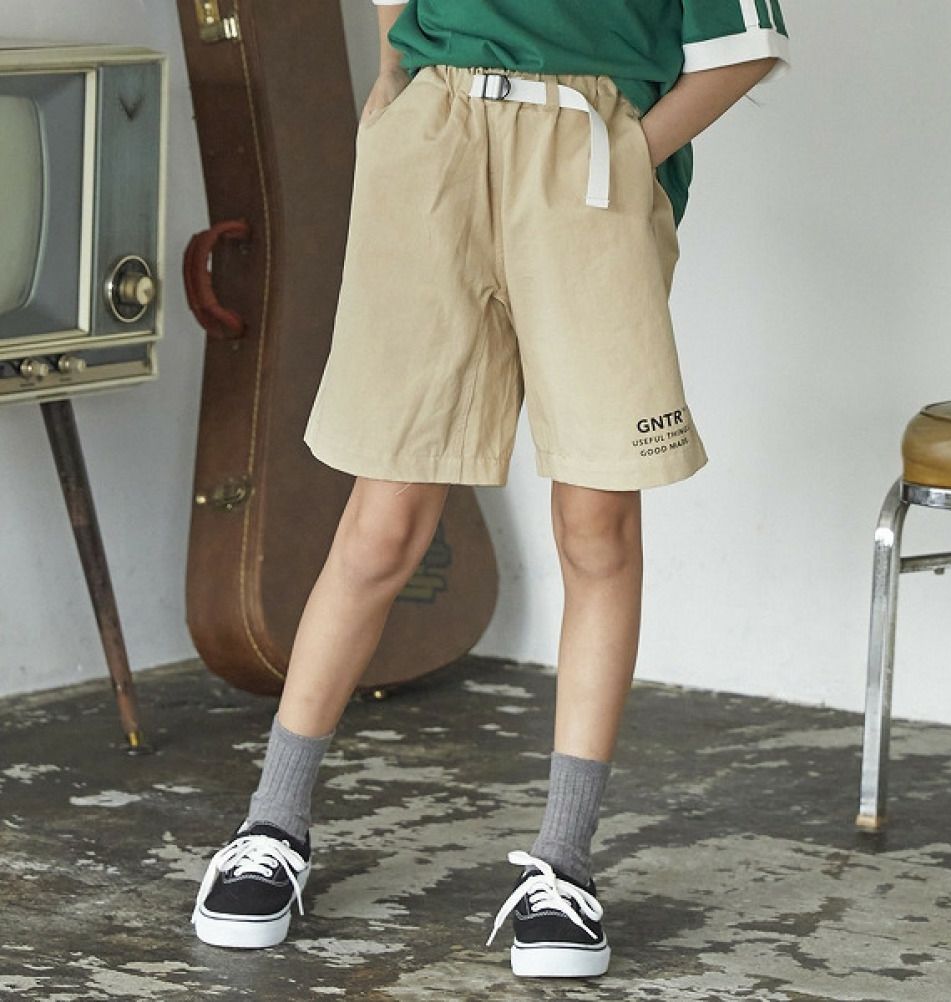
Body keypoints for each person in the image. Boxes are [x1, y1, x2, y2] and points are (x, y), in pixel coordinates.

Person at [190, 0, 791, 980]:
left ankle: (566, 865)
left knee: (597, 524)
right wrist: (395, 79)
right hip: (436, 146)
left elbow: (747, 46)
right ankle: (272, 826)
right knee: (384, 521)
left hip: (586, 159)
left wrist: (627, 153)